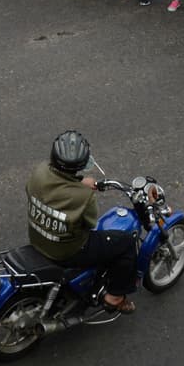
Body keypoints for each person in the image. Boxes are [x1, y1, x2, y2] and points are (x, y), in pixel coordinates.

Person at [26, 131, 137, 314]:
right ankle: (114, 297)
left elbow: (56, 184)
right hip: (67, 252)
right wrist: (80, 186)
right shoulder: (84, 196)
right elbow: (91, 223)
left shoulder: (39, 172)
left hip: (37, 238)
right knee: (125, 243)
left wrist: (77, 182)